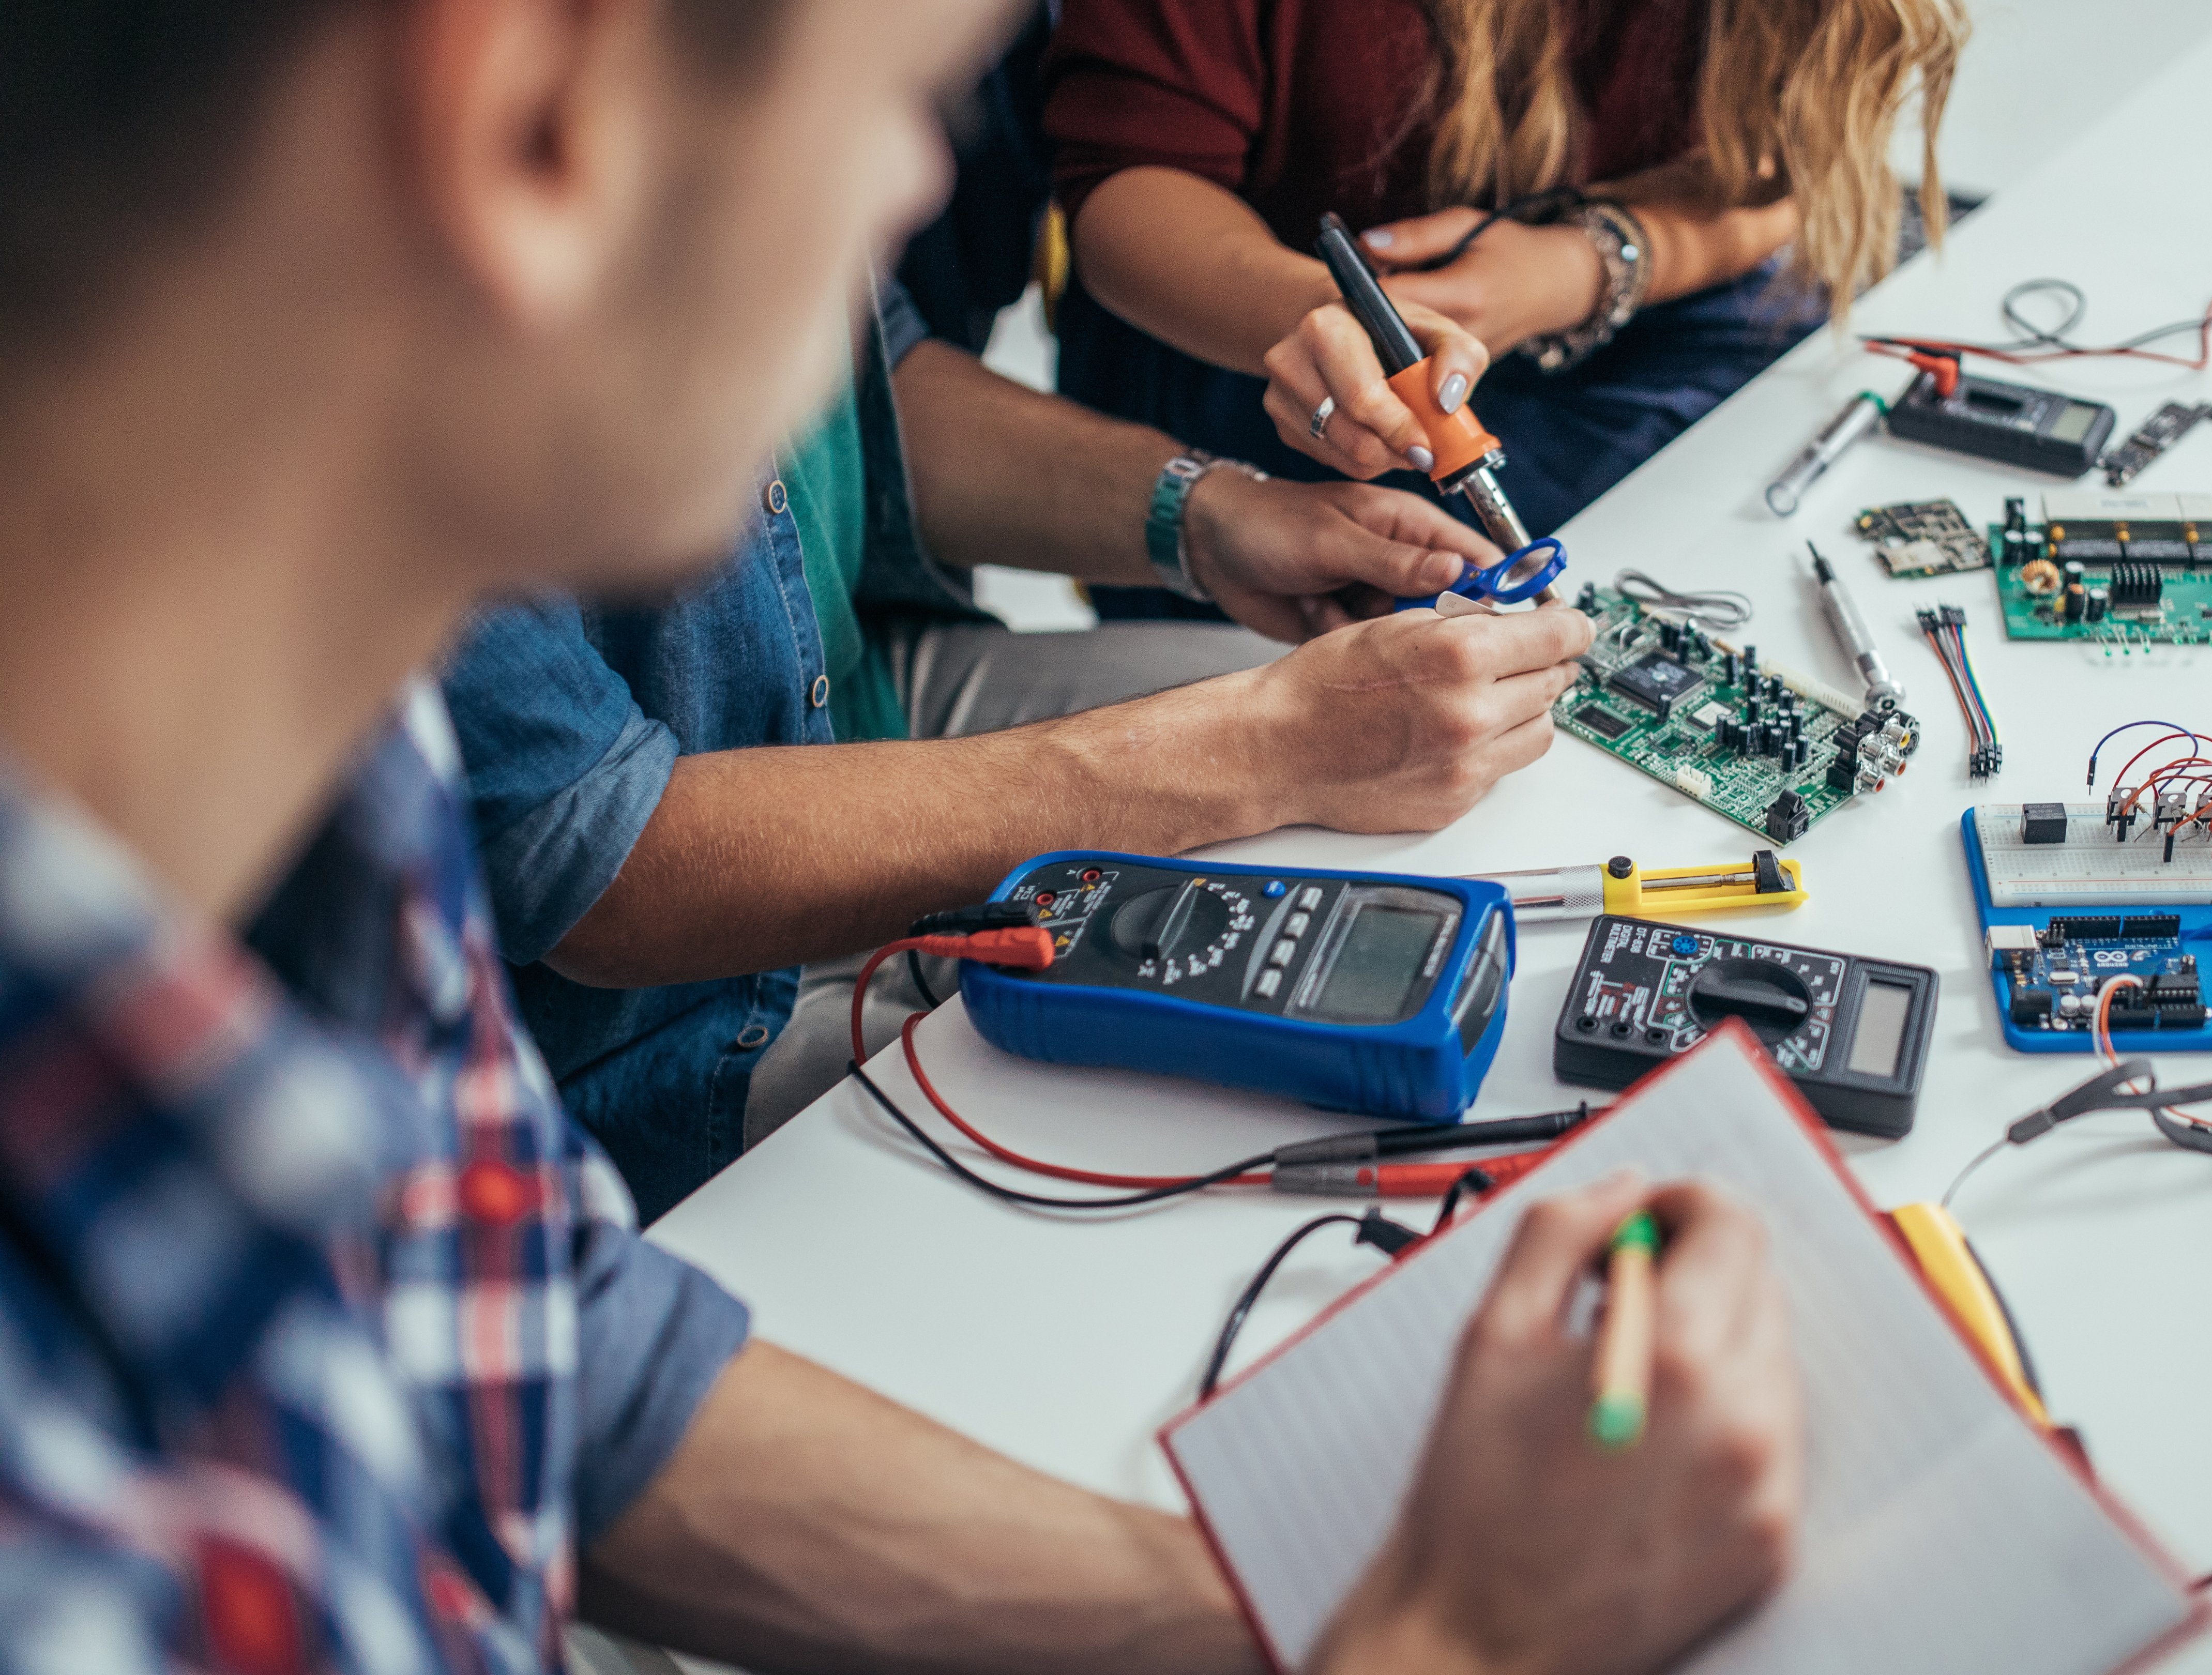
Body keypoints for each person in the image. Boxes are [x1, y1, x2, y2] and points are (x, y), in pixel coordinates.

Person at [0, 5, 1801, 1674]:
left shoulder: (339, 771)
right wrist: (1461, 1647)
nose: (925, 188)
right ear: (540, 129)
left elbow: (552, 1360)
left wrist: (1296, 1613)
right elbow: (605, 882)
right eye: (887, 105)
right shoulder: (86, 1571)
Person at [443, 268, 1592, 1217]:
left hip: (877, 695)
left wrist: (1206, 515)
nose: (928, 172)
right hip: (661, 1023)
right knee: (1244, 1178)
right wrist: (1259, 745)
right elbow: (595, 864)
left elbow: (872, 375)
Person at [1042, 0, 1969, 602]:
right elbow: (1124, 192)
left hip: (1641, 316)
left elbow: (1784, 176)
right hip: (1268, 370)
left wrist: (1583, 269)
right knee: (1418, 621)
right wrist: (1306, 314)